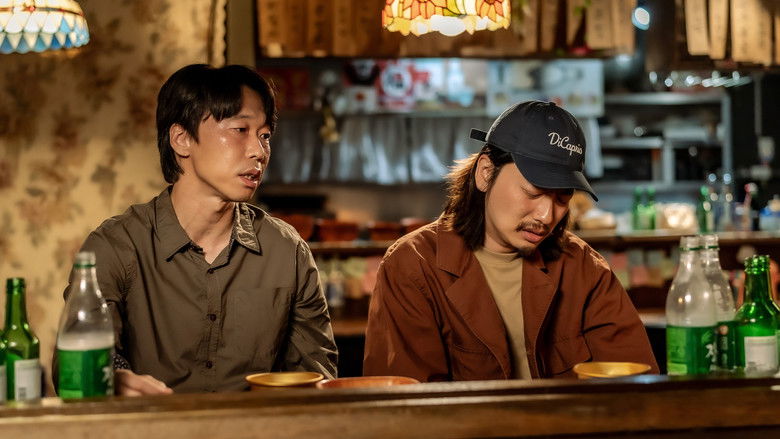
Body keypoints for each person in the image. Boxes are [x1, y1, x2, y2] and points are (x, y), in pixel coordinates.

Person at [56, 64, 338, 395]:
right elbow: (72, 367)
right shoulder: (116, 246)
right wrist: (113, 378)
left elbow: (318, 377)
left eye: (264, 136)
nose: (258, 152)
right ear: (182, 139)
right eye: (240, 130)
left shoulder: (286, 250)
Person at [363, 101, 658, 382]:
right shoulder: (413, 266)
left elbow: (634, 389)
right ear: (485, 173)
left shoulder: (584, 269)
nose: (546, 215)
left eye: (562, 198)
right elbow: (407, 408)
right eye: (533, 191)